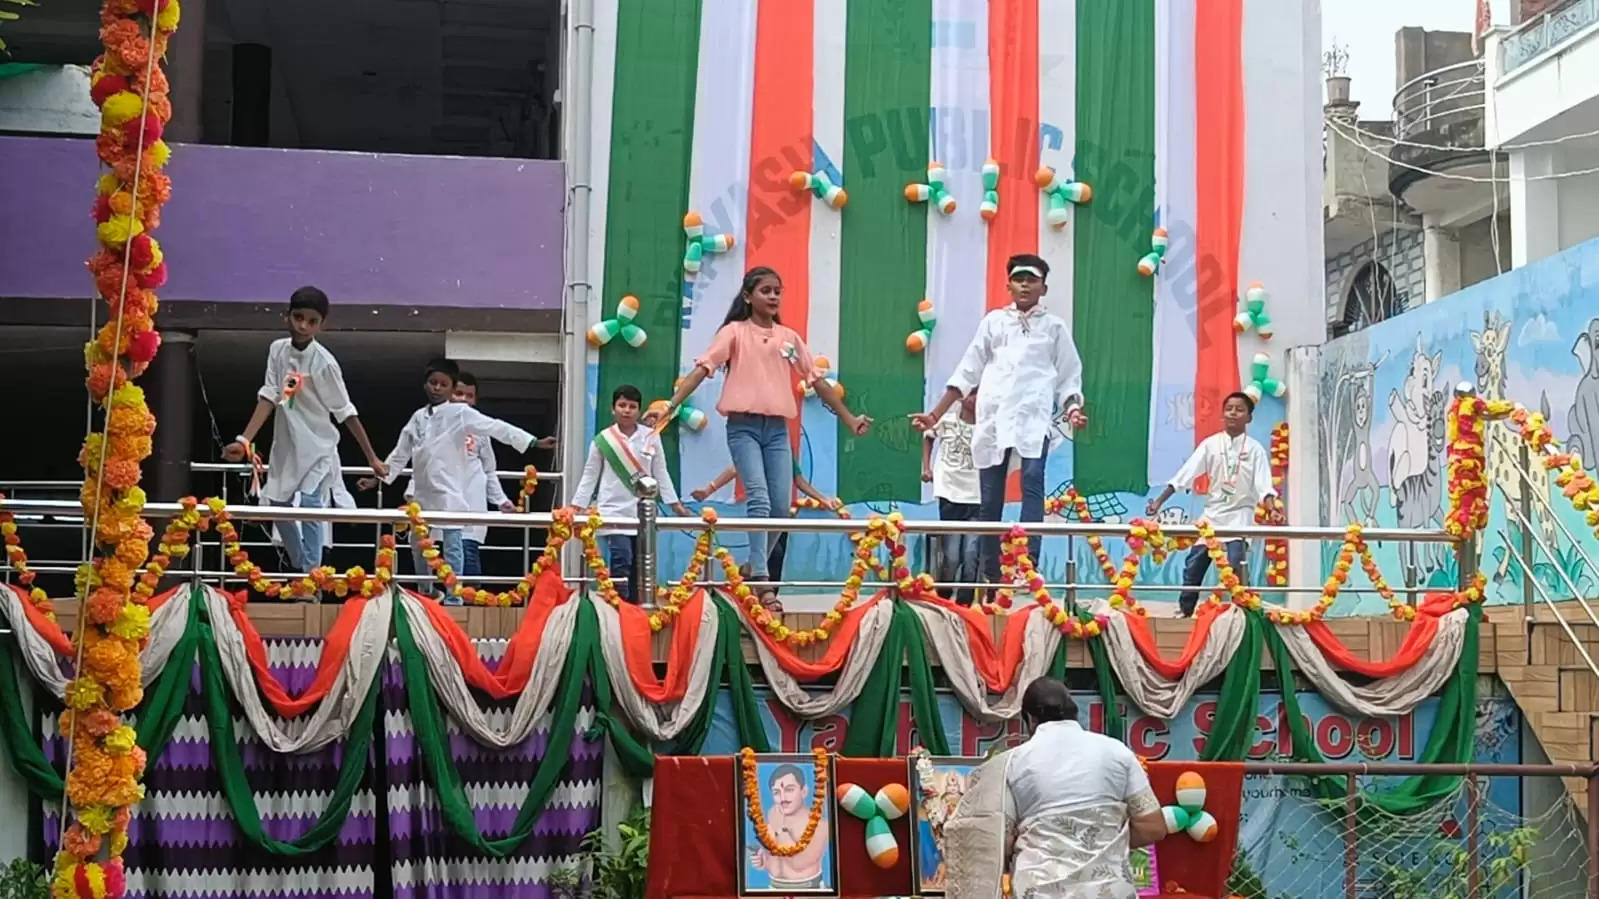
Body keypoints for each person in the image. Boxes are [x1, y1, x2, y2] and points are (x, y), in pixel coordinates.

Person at [664, 266, 871, 614]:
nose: (774, 296)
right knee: (758, 497)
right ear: (748, 296)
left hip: (776, 429)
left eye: (778, 291)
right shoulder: (734, 333)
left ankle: (751, 566)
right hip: (743, 426)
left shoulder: (788, 339)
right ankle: (762, 580)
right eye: (766, 291)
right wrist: (670, 407)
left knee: (780, 507)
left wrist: (849, 418)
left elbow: (817, 381)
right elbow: (702, 369)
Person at [911, 255, 1086, 593]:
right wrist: (935, 413)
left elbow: (1069, 376)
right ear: (1008, 285)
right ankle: (992, 570)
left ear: (1043, 287)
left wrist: (1073, 408)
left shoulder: (1054, 328)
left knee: (1033, 480)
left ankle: (1028, 564)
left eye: (1031, 279)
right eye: (1018, 279)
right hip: (993, 420)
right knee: (990, 497)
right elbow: (967, 370)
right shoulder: (993, 322)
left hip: (1034, 418)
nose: (1024, 284)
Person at [942, 678, 1165, 899]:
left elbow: (996, 842)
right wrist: (1101, 847)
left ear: (1029, 719)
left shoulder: (1012, 764)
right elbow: (1152, 827)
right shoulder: (1118, 753)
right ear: (1074, 713)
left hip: (1040, 891)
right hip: (1110, 890)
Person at [222, 286, 387, 574]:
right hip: (287, 444)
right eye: (298, 317)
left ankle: (312, 575)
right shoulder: (277, 350)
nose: (303, 326)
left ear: (322, 325)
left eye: (312, 321)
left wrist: (372, 458)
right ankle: (303, 567)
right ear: (286, 316)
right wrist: (244, 440)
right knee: (278, 505)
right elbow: (270, 395)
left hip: (319, 447)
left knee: (310, 506)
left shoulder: (324, 363)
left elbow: (345, 412)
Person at [358, 358, 551, 602]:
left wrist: (533, 442)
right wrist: (377, 479)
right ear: (425, 385)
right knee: (418, 543)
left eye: (443, 384)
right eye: (433, 383)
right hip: (423, 493)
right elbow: (400, 453)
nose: (437, 388)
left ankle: (454, 596)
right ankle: (427, 591)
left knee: (452, 546)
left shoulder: (460, 412)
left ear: (451, 388)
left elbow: (495, 427)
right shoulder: (418, 417)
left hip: (450, 491)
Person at [1147, 391, 1276, 618]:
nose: (1233, 413)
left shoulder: (1255, 450)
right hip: (1213, 515)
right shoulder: (1211, 445)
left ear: (1249, 418)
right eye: (1229, 409)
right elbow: (1185, 474)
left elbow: (1264, 484)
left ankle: (1242, 611)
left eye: (1239, 409)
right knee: (1194, 564)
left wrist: (1271, 507)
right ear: (1223, 414)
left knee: (1236, 564)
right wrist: (1159, 501)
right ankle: (1186, 611)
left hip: (1240, 515)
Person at [569, 386, 689, 602]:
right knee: (621, 559)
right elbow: (590, 475)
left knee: (641, 566)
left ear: (639, 410)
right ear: (612, 409)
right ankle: (619, 607)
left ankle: (636, 609)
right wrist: (576, 507)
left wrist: (675, 505)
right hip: (613, 511)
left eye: (632, 406)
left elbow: (661, 471)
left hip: (644, 512)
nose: (626, 410)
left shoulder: (651, 437)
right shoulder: (603, 440)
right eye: (622, 405)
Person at [691, 460, 840, 584]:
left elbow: (799, 480)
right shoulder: (754, 451)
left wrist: (823, 499)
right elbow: (735, 469)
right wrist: (708, 490)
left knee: (777, 555)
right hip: (761, 512)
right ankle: (756, 586)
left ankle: (764, 588)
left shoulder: (783, 452)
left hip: (780, 513)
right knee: (769, 553)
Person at [453, 371, 514, 578]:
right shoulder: (434, 424)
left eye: (469, 395)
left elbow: (489, 470)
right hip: (443, 505)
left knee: (469, 564)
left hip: (472, 505)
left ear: (475, 399)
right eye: (458, 393)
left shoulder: (481, 431)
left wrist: (501, 500)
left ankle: (467, 607)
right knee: (441, 566)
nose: (464, 400)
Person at [922, 389, 981, 604]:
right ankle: (944, 599)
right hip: (950, 494)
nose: (973, 399)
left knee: (971, 554)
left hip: (977, 497)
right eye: (971, 394)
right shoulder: (947, 420)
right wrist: (927, 468)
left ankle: (964, 604)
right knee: (952, 555)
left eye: (978, 395)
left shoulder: (986, 425)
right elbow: (928, 437)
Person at [749, 763, 831, 891]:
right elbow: (776, 860)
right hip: (773, 888)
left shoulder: (820, 824)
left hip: (810, 891)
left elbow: (799, 863)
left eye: (789, 790)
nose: (783, 799)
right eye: (776, 792)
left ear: (804, 791)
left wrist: (781, 829)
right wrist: (764, 861)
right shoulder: (773, 813)